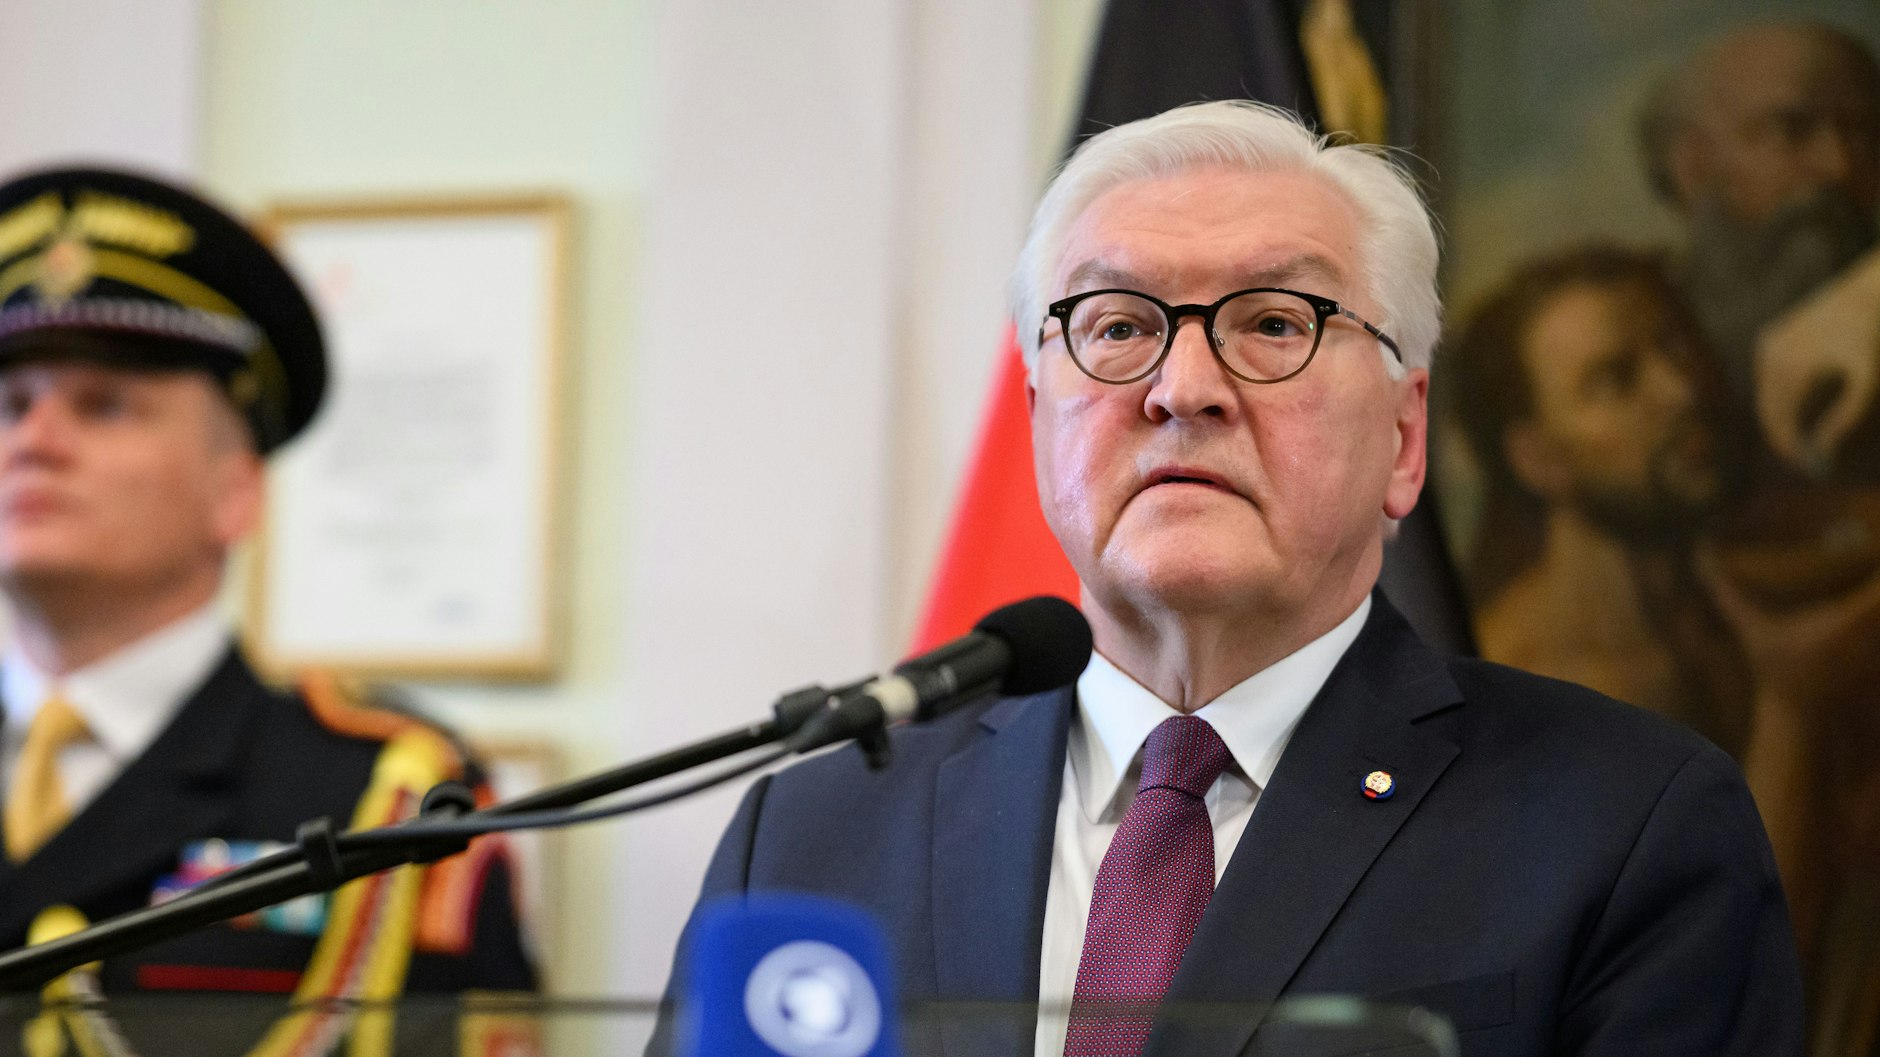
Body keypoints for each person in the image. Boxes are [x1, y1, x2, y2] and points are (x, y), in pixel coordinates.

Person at [653, 102, 1802, 1056]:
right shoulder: (809, 834)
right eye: (1114, 327)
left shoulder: (1627, 823)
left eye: (1269, 322)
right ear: (1041, 421)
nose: (1180, 387)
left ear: (1404, 436)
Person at [0, 168, 535, 1026]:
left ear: (235, 490)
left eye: (104, 406)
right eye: (12, 404)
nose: (32, 440)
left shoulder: (388, 794)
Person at [1447, 245, 1753, 755]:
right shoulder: (1521, 695)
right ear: (1538, 458)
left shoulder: (1734, 609)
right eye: (1616, 379)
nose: (1681, 391)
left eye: (1677, 349)